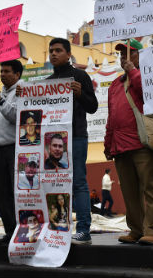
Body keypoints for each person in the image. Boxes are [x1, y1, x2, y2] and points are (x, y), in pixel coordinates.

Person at [104, 39, 153, 245]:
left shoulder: (150, 76)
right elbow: (111, 117)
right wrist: (108, 144)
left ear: (140, 56)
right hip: (121, 146)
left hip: (145, 143)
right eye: (122, 55)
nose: (124, 58)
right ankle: (136, 229)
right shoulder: (115, 85)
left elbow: (151, 96)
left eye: (130, 54)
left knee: (151, 189)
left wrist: (133, 71)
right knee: (129, 193)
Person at [46, 38, 98, 244]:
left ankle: (84, 229)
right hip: (53, 140)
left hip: (75, 137)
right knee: (55, 184)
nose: (53, 54)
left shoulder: (80, 76)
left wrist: (80, 94)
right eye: (51, 51)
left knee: (78, 183)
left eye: (58, 50)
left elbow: (92, 106)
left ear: (69, 54)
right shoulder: (48, 82)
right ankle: (58, 228)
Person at [0, 59, 23, 246]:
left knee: (14, 191)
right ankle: (10, 231)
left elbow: (16, 116)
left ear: (17, 74)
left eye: (6, 71)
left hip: (14, 147)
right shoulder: (1, 92)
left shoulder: (21, 90)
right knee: (1, 194)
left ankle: (20, 231)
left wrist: (0, 100)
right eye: (1, 70)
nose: (2, 74)